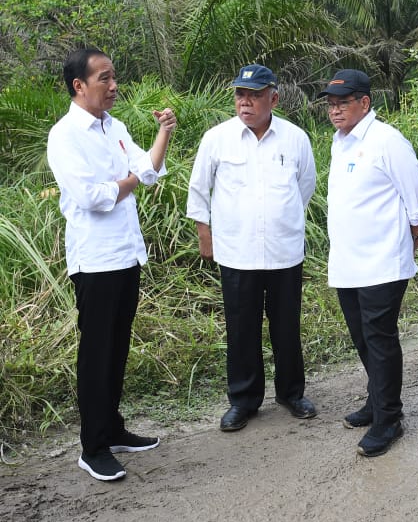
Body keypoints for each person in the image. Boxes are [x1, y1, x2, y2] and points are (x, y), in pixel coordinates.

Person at [46, 47, 177, 481]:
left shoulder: (114, 127)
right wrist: (134, 180)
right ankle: (93, 446)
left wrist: (164, 133)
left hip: (127, 254)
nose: (114, 85)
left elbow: (147, 170)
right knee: (96, 353)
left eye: (114, 76)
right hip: (96, 260)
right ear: (79, 86)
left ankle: (114, 428)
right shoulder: (65, 135)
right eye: (104, 78)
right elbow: (93, 197)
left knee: (117, 347)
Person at [187, 64, 318, 432]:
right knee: (242, 328)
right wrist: (205, 234)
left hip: (284, 251)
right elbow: (199, 189)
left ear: (273, 98)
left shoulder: (295, 139)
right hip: (236, 251)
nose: (245, 102)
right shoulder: (217, 139)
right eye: (240, 94)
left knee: (286, 327)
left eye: (255, 95)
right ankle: (243, 401)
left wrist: (280, 218)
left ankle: (292, 394)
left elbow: (304, 187)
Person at [320, 69, 418, 457]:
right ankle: (376, 400)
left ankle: (389, 419)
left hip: (383, 262)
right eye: (331, 104)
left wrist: (407, 241)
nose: (335, 111)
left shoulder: (387, 140)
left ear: (364, 103)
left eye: (342, 103)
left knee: (380, 339)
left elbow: (417, 201)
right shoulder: (340, 142)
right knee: (361, 337)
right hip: (348, 261)